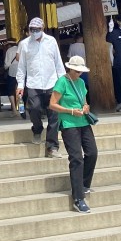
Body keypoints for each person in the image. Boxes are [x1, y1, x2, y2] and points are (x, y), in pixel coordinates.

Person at [49, 55, 97, 214]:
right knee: (76, 158)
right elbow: (52, 104)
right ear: (70, 69)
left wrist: (85, 107)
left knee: (92, 153)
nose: (79, 74)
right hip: (69, 123)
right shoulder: (62, 82)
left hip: (83, 121)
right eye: (76, 71)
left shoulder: (81, 82)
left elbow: (84, 100)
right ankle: (78, 198)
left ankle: (84, 184)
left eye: (80, 71)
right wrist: (70, 111)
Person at [16, 17, 66, 157]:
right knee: (34, 108)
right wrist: (20, 84)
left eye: (37, 29)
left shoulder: (51, 41)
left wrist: (63, 82)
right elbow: (22, 67)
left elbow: (58, 62)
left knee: (53, 115)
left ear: (42, 29)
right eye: (32, 30)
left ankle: (52, 147)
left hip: (52, 82)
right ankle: (37, 129)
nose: (34, 32)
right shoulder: (24, 44)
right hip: (33, 83)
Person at [3, 41, 20, 113]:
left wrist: (5, 68)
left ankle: (14, 109)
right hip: (20, 73)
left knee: (10, 91)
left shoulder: (9, 51)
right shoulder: (20, 49)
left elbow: (7, 64)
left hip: (12, 73)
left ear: (9, 45)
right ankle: (20, 108)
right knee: (20, 90)